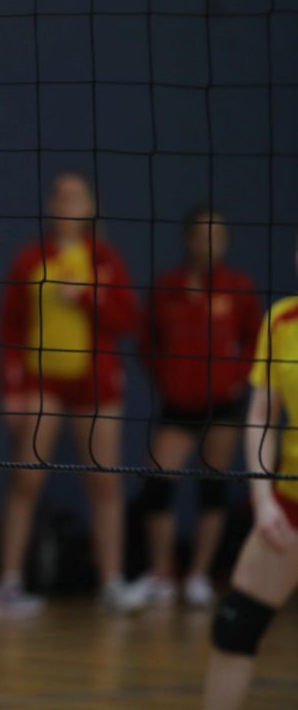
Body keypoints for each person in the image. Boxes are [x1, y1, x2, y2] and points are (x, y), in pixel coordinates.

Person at [0, 171, 142, 619]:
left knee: (105, 481)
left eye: (76, 197)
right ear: (52, 205)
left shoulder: (104, 259)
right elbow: (10, 327)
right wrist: (12, 389)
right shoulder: (32, 258)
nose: (68, 204)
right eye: (61, 196)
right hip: (42, 383)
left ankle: (112, 581)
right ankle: (9, 581)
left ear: (90, 207)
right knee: (26, 479)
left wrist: (87, 296)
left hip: (96, 384)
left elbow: (127, 320)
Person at [133, 208, 261, 608]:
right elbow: (146, 342)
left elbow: (256, 341)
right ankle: (161, 573)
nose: (209, 242)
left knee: (213, 487)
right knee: (157, 484)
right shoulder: (167, 287)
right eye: (203, 234)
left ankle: (199, 576)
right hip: (179, 403)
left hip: (223, 403)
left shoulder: (238, 287)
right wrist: (168, 378)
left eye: (217, 235)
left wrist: (236, 377)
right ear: (188, 238)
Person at [202, 245, 298, 710]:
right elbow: (261, 413)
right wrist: (262, 501)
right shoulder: (282, 319)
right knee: (235, 627)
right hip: (289, 504)